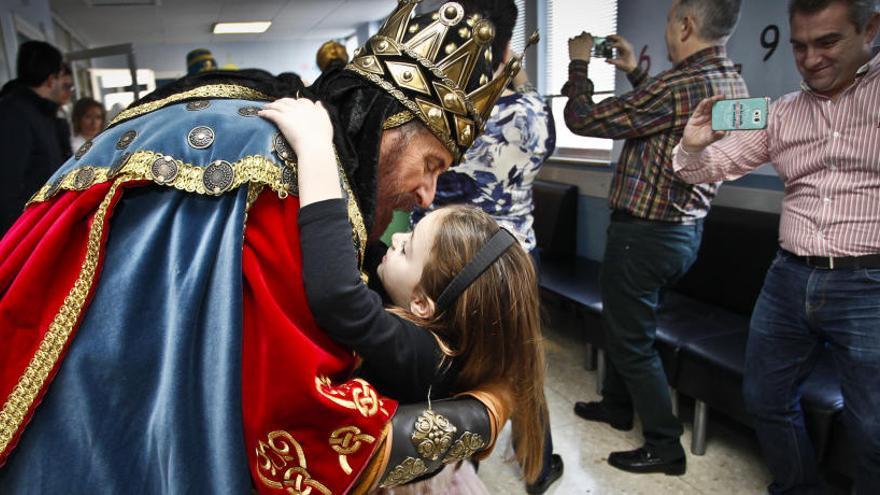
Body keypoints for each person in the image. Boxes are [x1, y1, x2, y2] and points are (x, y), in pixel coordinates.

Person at [0, 1, 523, 493]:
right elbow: (312, 424)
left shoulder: (261, 115)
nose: (427, 194)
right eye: (431, 164)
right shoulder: (287, 182)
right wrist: (488, 410)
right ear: (392, 124)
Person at [261, 95, 548, 486]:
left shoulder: (426, 354)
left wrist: (316, 150)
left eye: (407, 247)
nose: (394, 240)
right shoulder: (445, 327)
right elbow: (362, 251)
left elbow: (338, 296)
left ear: (422, 303)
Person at [673, 1, 880, 492]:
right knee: (765, 398)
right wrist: (694, 144)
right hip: (788, 278)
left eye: (827, 41)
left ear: (870, 29)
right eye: (800, 45)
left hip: (869, 286)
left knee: (873, 430)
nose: (810, 59)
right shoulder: (781, 114)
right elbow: (699, 170)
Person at [562, 0, 747, 475]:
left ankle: (665, 446)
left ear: (686, 24)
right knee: (630, 324)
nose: (667, 32)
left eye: (669, 21)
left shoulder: (681, 83)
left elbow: (583, 120)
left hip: (645, 234)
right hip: (685, 232)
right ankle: (616, 405)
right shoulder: (731, 81)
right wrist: (634, 73)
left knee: (631, 339)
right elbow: (668, 124)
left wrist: (579, 63)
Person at [411, 0, 562, 491]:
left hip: (445, 259)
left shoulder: (437, 109)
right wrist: (508, 66)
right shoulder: (532, 109)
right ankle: (538, 464)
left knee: (453, 361)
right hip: (513, 255)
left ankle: (460, 465)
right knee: (520, 358)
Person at [0, 41, 74, 234]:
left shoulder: (42, 114)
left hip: (42, 225)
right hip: (25, 234)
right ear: (51, 80)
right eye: (61, 79)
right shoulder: (14, 113)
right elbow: (8, 188)